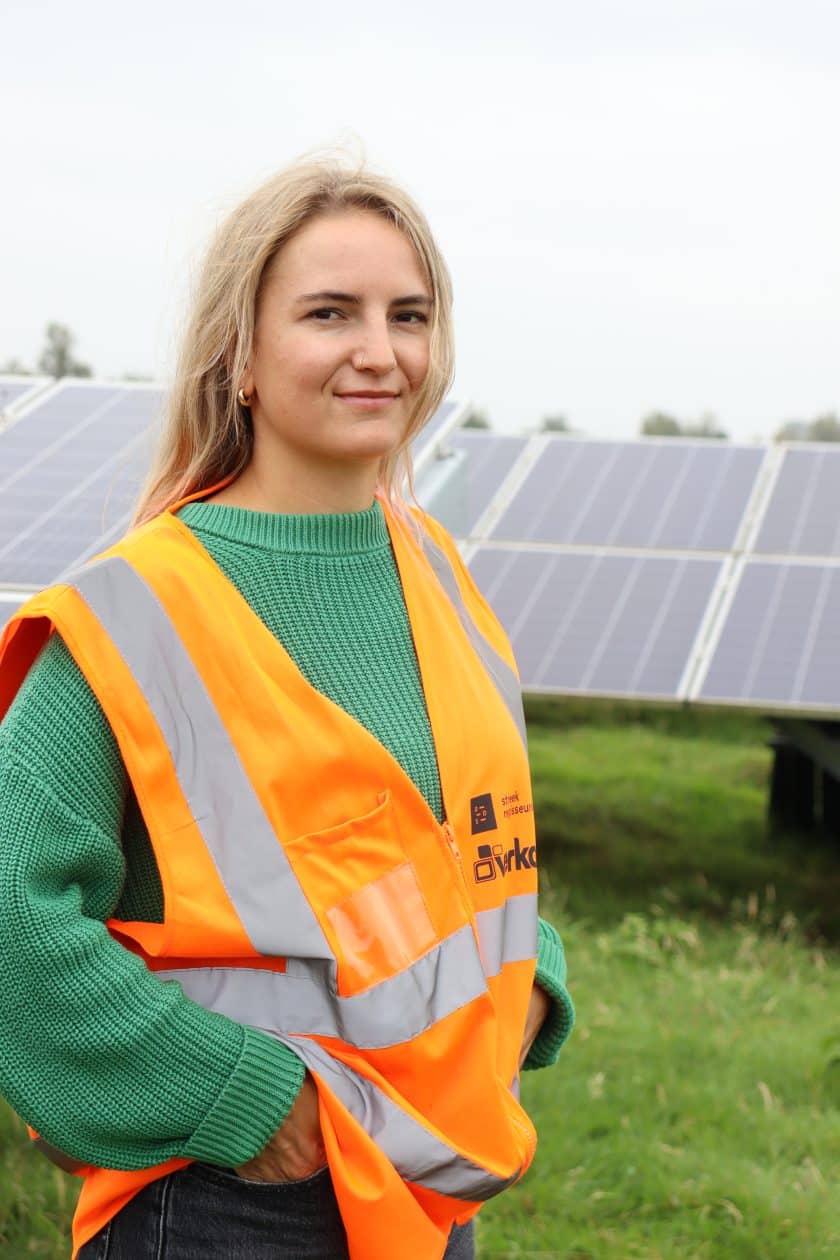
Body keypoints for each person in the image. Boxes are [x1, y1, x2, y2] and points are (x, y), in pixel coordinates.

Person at [0, 156, 574, 1260]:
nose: (380, 351)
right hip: (226, 1204)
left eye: (409, 315)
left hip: (421, 1185)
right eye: (329, 314)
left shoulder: (438, 571)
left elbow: (458, 839)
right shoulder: (136, 613)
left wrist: (532, 980)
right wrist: (248, 1101)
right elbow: (12, 919)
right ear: (240, 359)